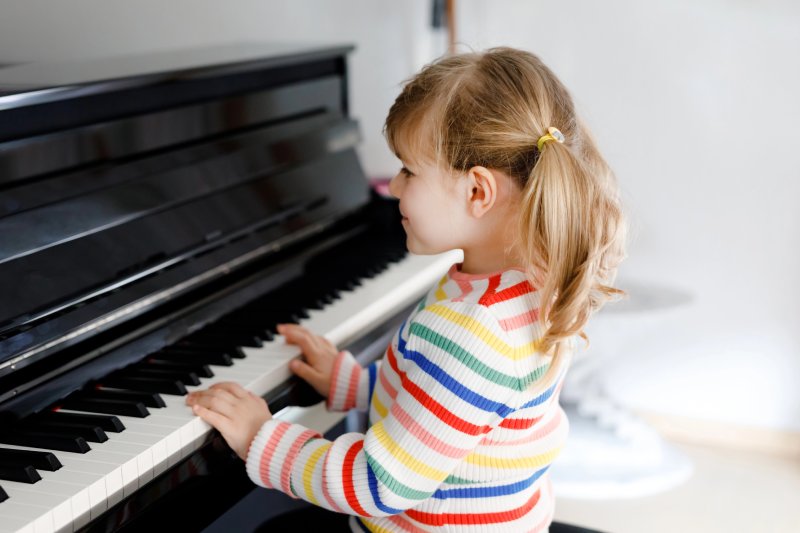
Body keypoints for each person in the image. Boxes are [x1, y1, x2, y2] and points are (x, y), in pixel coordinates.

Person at [185, 46, 626, 532]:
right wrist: (354, 384)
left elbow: (378, 485)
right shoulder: (523, 283)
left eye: (409, 171)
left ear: (478, 192)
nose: (393, 187)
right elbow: (439, 402)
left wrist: (260, 438)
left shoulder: (475, 331)